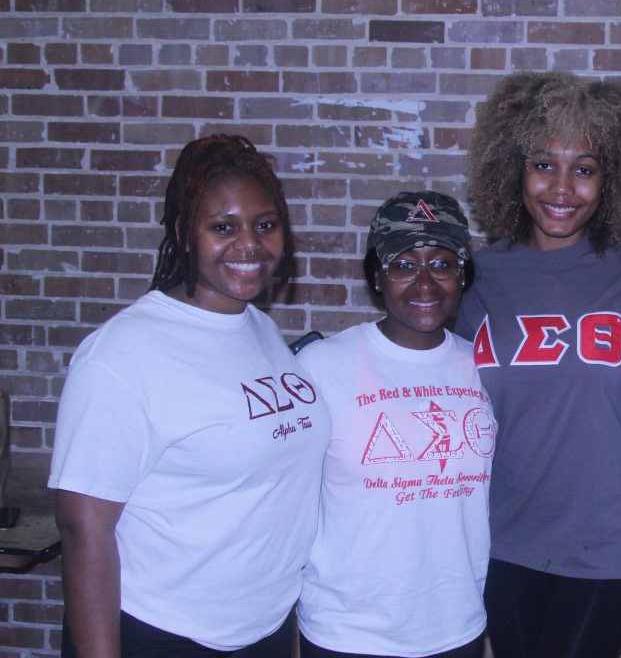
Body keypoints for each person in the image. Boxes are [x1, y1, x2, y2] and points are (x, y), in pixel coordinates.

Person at [49, 134, 331, 657]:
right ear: (183, 232)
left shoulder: (257, 329)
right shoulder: (122, 354)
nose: (249, 245)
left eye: (265, 225)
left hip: (260, 629)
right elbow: (83, 531)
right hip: (161, 632)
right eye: (223, 227)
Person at [453, 71, 621, 658]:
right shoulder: (476, 279)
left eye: (585, 168)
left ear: (612, 178)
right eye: (544, 164)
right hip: (501, 539)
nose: (563, 187)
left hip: (608, 544)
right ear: (511, 170)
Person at [295, 191, 494, 658]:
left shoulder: (484, 365)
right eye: (404, 265)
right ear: (376, 277)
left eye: (442, 264)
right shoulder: (321, 367)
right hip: (348, 632)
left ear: (463, 274)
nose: (425, 284)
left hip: (455, 626)